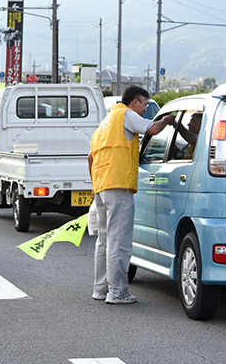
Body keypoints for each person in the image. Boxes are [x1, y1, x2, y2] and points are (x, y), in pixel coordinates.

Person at [88, 85, 174, 304]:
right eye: (145, 104)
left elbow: (90, 158)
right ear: (134, 101)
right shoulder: (127, 114)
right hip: (119, 185)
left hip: (101, 186)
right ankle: (117, 292)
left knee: (104, 240)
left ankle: (100, 289)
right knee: (120, 240)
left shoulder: (106, 122)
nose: (145, 109)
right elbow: (153, 130)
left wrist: (97, 184)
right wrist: (166, 120)